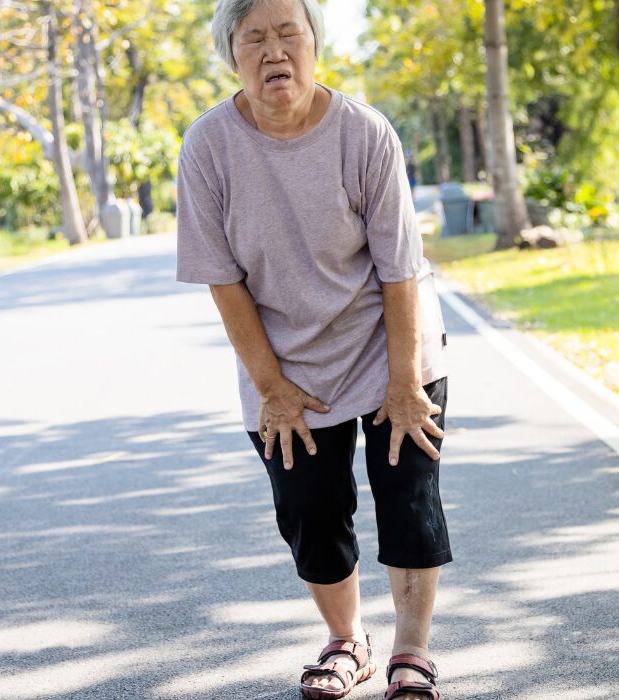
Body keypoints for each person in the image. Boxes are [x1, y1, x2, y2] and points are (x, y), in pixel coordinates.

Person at [174, 1, 451, 698]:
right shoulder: (208, 147)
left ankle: (411, 652)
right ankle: (346, 640)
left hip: (390, 338)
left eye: (288, 34)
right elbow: (223, 279)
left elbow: (400, 268)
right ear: (231, 56)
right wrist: (271, 386)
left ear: (314, 46)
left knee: (408, 494)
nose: (274, 52)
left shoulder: (364, 132)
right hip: (284, 357)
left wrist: (403, 381)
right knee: (308, 506)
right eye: (254, 39)